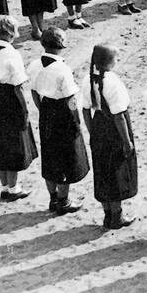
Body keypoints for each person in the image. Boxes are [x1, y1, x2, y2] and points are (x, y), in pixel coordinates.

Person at [31, 27, 88, 214]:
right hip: (62, 112)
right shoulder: (63, 68)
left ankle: (53, 198)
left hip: (46, 109)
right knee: (66, 156)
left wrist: (42, 109)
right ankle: (63, 201)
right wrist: (77, 121)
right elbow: (71, 99)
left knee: (49, 154)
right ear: (60, 44)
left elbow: (33, 90)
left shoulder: (35, 64)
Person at [83, 43, 139, 230]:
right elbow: (119, 116)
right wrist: (127, 141)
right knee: (116, 171)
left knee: (102, 170)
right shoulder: (112, 81)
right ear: (109, 62)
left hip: (98, 125)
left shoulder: (88, 79)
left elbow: (85, 110)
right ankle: (117, 216)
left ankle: (107, 214)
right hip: (114, 130)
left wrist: (92, 132)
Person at [0, 15, 37, 199]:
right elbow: (19, 86)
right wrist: (25, 109)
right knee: (13, 142)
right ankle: (13, 188)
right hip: (11, 98)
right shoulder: (12, 53)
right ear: (10, 33)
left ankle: (5, 186)